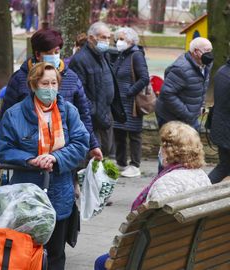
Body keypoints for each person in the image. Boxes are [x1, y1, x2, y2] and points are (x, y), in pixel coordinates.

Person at [0, 62, 89, 269]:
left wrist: (56, 158)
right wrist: (29, 159)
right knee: (24, 249)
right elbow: (3, 148)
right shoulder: (14, 114)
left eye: (54, 83)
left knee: (55, 252)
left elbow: (81, 144)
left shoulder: (69, 111)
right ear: (33, 85)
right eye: (44, 83)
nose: (50, 88)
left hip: (59, 192)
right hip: (26, 192)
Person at [94, 120, 211, 269]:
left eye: (163, 145)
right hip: (192, 248)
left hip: (162, 255)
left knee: (101, 262)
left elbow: (153, 229)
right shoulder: (201, 175)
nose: (160, 150)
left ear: (171, 151)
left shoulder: (167, 182)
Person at [1, 29, 102, 161]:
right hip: (29, 151)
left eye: (57, 52)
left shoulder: (71, 78)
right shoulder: (19, 79)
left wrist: (93, 145)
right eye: (49, 53)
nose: (54, 56)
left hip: (64, 154)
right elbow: (6, 117)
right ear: (37, 54)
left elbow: (83, 116)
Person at [68, 21, 126, 157]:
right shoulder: (80, 60)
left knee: (105, 154)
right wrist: (94, 110)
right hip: (92, 119)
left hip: (106, 113)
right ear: (91, 38)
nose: (106, 41)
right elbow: (78, 93)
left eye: (108, 37)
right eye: (103, 37)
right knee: (93, 157)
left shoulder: (103, 55)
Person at [112, 27, 150, 178]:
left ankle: (135, 165)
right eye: (118, 39)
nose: (119, 42)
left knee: (134, 133)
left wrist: (130, 92)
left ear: (131, 41)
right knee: (119, 131)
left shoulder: (136, 55)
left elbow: (144, 78)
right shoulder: (121, 55)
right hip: (119, 102)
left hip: (131, 101)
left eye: (122, 39)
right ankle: (121, 162)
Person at [155, 37, 213, 130]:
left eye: (211, 50)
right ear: (195, 51)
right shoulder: (181, 69)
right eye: (206, 51)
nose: (210, 54)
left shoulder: (206, 64)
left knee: (192, 142)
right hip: (171, 117)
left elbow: (202, 86)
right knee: (175, 144)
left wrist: (200, 106)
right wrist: (187, 114)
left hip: (189, 117)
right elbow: (167, 93)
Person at [208, 59, 230, 184]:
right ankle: (201, 190)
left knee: (224, 166)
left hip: (221, 128)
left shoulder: (222, 71)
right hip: (226, 130)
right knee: (224, 167)